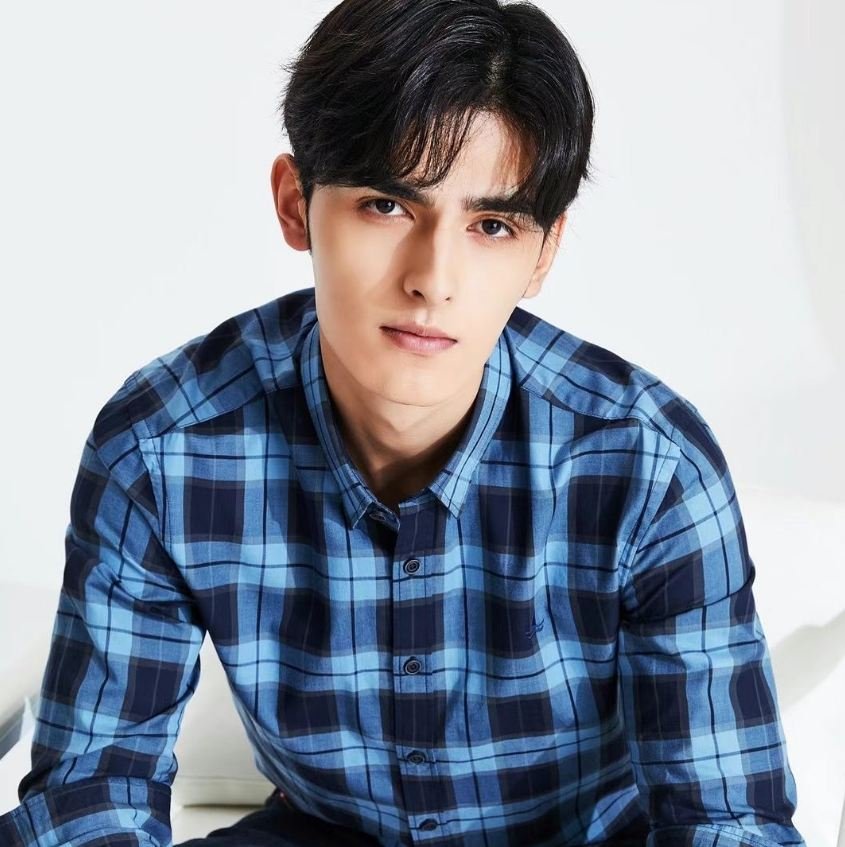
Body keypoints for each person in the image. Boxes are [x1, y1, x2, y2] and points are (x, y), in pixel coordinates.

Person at [0, 0, 806, 845]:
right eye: (387, 205)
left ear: (543, 251)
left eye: (491, 225)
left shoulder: (649, 464)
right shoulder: (163, 446)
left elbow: (726, 820)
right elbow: (93, 792)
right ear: (294, 204)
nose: (433, 278)